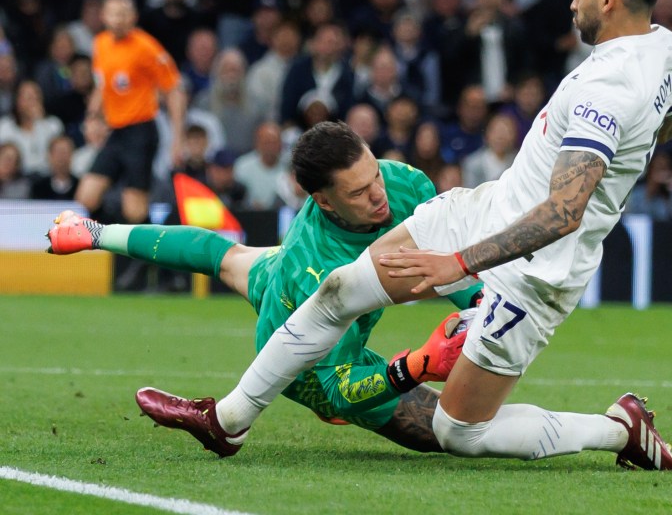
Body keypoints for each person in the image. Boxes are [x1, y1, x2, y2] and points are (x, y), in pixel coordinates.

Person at [132, 0, 672, 472]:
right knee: (341, 288)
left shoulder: (608, 90)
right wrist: (632, 153)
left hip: (533, 273)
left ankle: (620, 429)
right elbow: (667, 116)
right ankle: (227, 421)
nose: (573, 2)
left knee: (458, 433)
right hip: (485, 210)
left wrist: (459, 265)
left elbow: (564, 212)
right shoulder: (664, 48)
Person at [47, 122, 480, 453]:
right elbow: (340, 391)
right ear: (323, 201)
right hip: (311, 359)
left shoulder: (406, 184)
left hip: (274, 268)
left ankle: (93, 232)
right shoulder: (317, 274)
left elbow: (443, 251)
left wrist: (476, 303)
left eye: (375, 177)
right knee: (452, 433)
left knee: (225, 257)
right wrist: (416, 365)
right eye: (360, 191)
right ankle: (229, 420)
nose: (379, 196)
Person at [76, 0, 185, 226]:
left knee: (135, 211)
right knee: (87, 197)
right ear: (104, 16)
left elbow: (174, 90)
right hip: (116, 131)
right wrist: (92, 118)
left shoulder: (146, 47)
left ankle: (147, 257)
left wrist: (177, 138)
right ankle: (117, 237)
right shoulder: (101, 44)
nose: (119, 19)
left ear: (134, 17)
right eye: (114, 13)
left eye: (124, 13)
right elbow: (102, 86)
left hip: (141, 131)